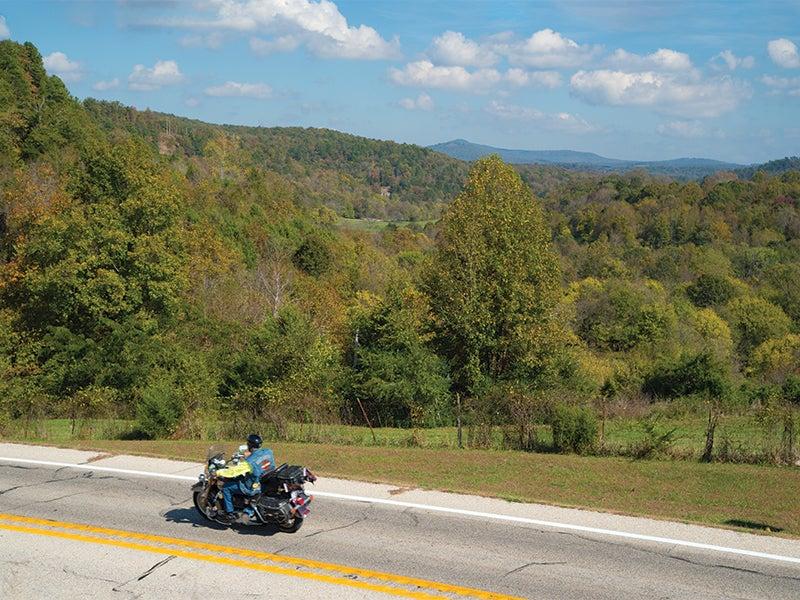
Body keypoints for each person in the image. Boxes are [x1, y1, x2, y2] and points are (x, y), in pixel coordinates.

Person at [215, 433, 275, 523]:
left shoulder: (249, 463)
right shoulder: (268, 452)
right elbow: (259, 458)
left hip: (252, 486)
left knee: (226, 488)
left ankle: (229, 514)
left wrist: (218, 472)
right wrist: (246, 456)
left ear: (249, 445)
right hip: (265, 481)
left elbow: (232, 472)